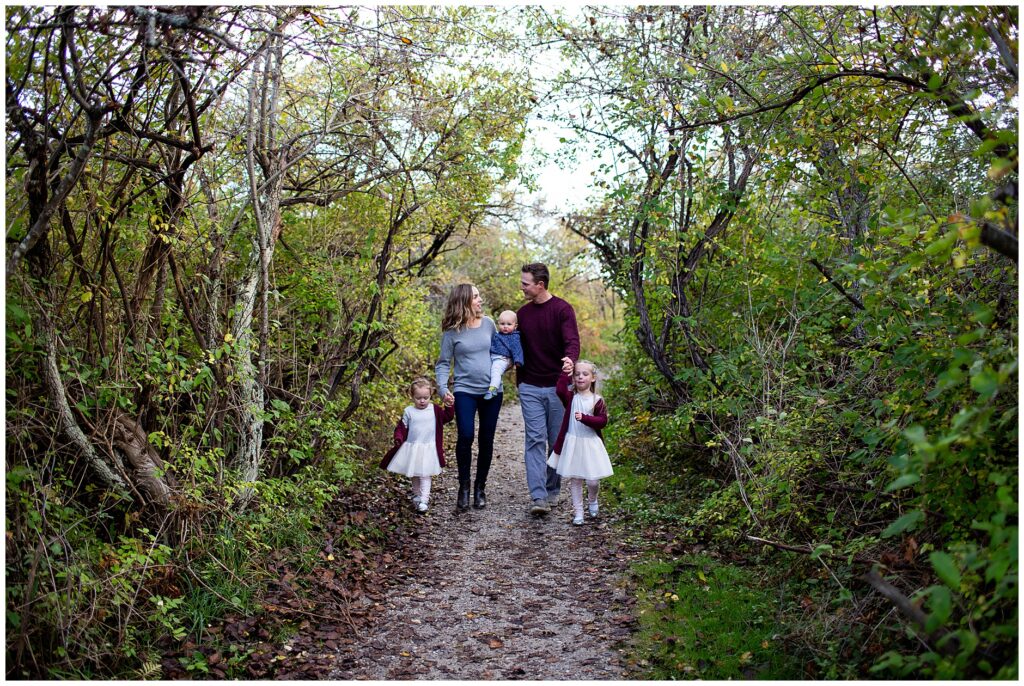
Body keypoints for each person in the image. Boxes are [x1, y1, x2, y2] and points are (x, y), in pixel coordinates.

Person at [516, 262, 580, 516]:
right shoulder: (522, 314)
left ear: (540, 285)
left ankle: (553, 489)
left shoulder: (562, 310)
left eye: (525, 283)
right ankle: (538, 496)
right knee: (534, 440)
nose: (521, 287)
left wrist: (570, 360)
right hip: (529, 385)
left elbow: (572, 341)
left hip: (556, 387)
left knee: (556, 441)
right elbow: (512, 343)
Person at [435, 283, 503, 511]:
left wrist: (507, 364)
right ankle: (463, 488)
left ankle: (480, 488)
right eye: (475, 296)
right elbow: (443, 363)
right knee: (465, 436)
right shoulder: (452, 331)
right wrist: (443, 389)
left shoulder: (489, 324)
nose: (480, 300)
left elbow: (500, 352)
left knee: (486, 439)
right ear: (464, 301)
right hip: (464, 389)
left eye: (479, 296)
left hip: (492, 391)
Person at [546, 361, 612, 525]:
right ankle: (579, 513)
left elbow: (602, 421)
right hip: (573, 442)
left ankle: (592, 499)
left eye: (585, 374)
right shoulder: (571, 397)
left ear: (593, 378)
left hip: (590, 444)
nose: (581, 377)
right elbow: (560, 390)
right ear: (573, 378)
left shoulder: (597, 400)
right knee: (575, 480)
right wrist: (565, 372)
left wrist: (585, 418)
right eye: (577, 374)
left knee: (592, 480)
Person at [379, 378, 455, 513]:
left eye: (426, 397)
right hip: (413, 447)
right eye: (418, 398)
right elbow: (401, 427)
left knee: (425, 474)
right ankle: (416, 494)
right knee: (414, 472)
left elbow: (447, 417)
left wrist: (449, 405)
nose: (422, 401)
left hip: (429, 448)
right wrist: (398, 438)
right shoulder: (409, 411)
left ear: (431, 395)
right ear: (412, 396)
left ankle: (424, 500)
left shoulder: (435, 410)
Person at [484, 310, 523, 400]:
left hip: (502, 359)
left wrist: (518, 361)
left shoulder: (514, 337)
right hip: (493, 357)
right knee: (490, 371)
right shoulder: (498, 334)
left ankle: (493, 389)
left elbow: (517, 349)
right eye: (502, 324)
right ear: (498, 324)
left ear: (515, 326)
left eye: (509, 324)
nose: (505, 326)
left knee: (496, 370)